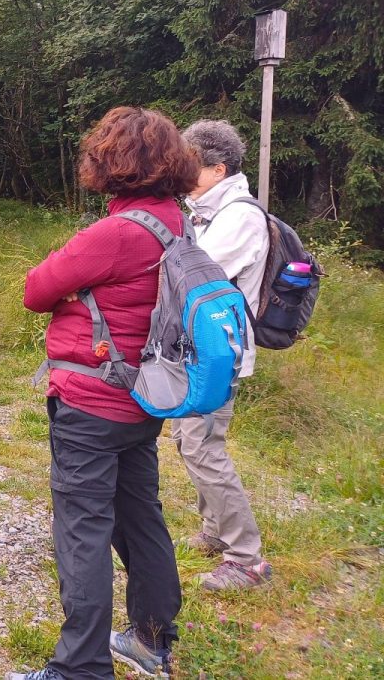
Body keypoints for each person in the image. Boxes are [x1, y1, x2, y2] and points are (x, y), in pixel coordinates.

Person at [10, 106, 194, 680]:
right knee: (139, 516)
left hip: (91, 402)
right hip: (143, 397)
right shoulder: (176, 221)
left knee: (83, 529)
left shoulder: (116, 232)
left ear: (109, 163)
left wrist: (75, 294)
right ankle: (151, 639)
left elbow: (36, 289)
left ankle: (80, 668)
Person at [176, 119, 272, 590]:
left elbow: (195, 276)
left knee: (203, 446)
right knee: (187, 440)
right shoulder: (205, 209)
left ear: (218, 168)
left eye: (189, 162)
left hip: (219, 355)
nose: (180, 170)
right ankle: (216, 531)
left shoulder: (239, 216)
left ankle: (247, 559)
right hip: (199, 350)